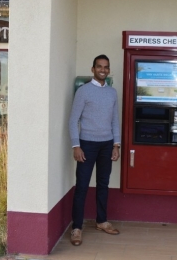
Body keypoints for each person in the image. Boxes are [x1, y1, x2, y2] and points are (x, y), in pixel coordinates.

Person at [68, 54, 121, 246]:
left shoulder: (112, 93)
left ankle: (101, 221)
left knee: (103, 185)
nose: (103, 70)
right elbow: (74, 120)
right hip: (87, 144)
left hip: (107, 145)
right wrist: (76, 145)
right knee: (82, 186)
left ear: (108, 70)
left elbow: (115, 120)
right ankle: (77, 228)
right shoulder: (83, 91)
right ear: (93, 69)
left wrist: (116, 145)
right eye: (99, 67)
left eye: (106, 67)